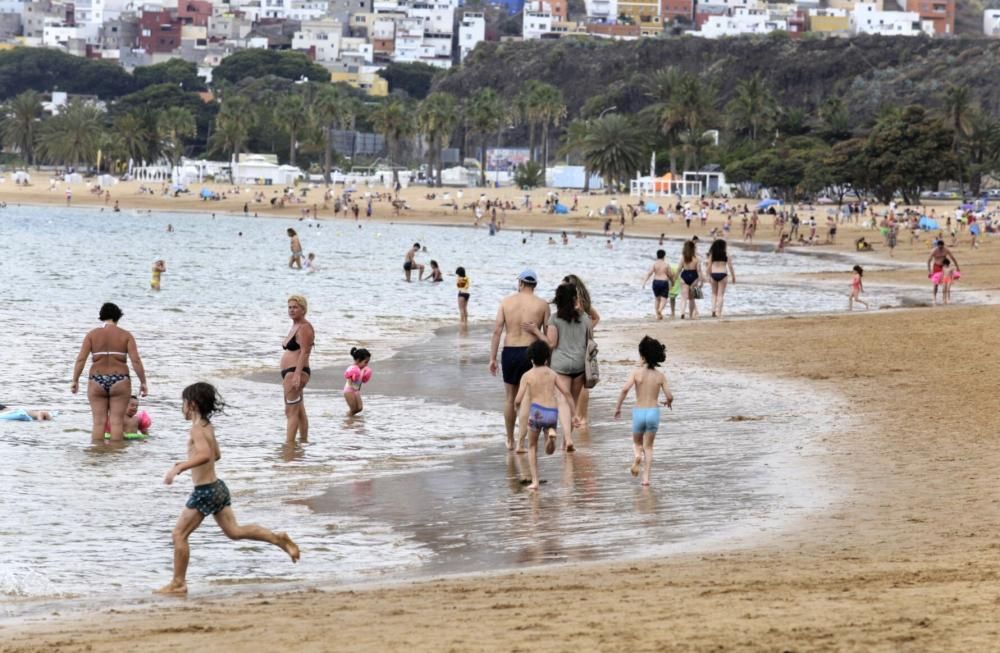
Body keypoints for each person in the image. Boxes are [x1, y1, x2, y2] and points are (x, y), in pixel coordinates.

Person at [156, 382, 299, 595]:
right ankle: (278, 539)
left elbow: (205, 455)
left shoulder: (196, 429)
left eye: (183, 403)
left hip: (205, 491)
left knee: (179, 535)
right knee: (235, 531)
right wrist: (193, 458)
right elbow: (217, 455)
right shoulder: (207, 425)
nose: (182, 408)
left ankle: (178, 582)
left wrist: (179, 467)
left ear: (192, 404)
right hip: (218, 487)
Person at [523, 283, 590, 453]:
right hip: (580, 364)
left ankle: (567, 439)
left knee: (562, 402)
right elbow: (589, 339)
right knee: (572, 401)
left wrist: (536, 332)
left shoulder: (555, 319)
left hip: (561, 365)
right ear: (575, 298)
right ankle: (566, 441)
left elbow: (551, 344)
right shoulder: (584, 318)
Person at [489, 269, 550, 450]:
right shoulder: (543, 305)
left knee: (510, 398)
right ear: (535, 284)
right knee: (528, 399)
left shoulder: (506, 302)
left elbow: (497, 331)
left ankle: (510, 440)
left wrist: (492, 358)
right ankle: (522, 441)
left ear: (521, 283)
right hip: (532, 354)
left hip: (510, 352)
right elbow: (547, 337)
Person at [70, 302, 148, 442]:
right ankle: (115, 458)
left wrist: (75, 380)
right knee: (116, 422)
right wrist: (143, 382)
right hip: (120, 379)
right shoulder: (126, 335)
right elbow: (135, 361)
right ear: (118, 317)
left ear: (101, 316)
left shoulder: (92, 335)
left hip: (96, 379)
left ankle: (98, 454)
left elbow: (81, 359)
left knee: (98, 422)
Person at [613, 336, 673, 487]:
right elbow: (670, 395)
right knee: (649, 447)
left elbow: (625, 389)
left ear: (642, 355)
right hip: (653, 412)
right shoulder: (660, 376)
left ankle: (637, 455)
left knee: (636, 442)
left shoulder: (637, 373)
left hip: (639, 412)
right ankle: (646, 479)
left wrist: (618, 407)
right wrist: (668, 402)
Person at [514, 341, 565, 491]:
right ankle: (550, 434)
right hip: (551, 413)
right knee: (549, 451)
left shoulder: (527, 375)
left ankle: (535, 481)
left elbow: (517, 399)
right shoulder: (552, 374)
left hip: (536, 412)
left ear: (531, 359)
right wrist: (572, 412)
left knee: (532, 446)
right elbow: (565, 392)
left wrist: (518, 408)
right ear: (547, 358)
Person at [562, 274, 600, 428]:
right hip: (581, 341)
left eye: (564, 285)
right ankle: (581, 415)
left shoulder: (577, 302)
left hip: (580, 343)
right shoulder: (583, 301)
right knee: (583, 379)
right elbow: (595, 318)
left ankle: (580, 416)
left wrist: (585, 330)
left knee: (583, 379)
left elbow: (596, 318)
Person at [281, 295, 314, 444]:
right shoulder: (295, 325)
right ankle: (303, 441)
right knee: (299, 409)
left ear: (303, 309)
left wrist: (297, 374)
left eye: (295, 307)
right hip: (291, 372)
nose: (291, 310)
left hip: (295, 371)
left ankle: (289, 445)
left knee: (290, 411)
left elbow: (305, 351)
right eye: (289, 307)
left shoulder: (305, 327)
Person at [706, 239, 736, 318]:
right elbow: (730, 266)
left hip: (713, 274)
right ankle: (718, 312)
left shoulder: (712, 254)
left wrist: (708, 276)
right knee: (720, 295)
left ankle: (713, 310)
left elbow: (708, 266)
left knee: (713, 294)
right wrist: (733, 277)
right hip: (723, 274)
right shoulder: (726, 254)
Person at [641, 249, 674, 321]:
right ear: (664, 256)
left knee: (657, 299)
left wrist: (644, 282)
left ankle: (657, 315)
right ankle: (660, 310)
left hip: (655, 282)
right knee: (664, 299)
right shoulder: (666, 264)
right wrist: (673, 282)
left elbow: (649, 273)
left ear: (657, 256)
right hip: (664, 282)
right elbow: (670, 275)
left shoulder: (654, 264)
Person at [927, 240, 960, 305]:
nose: (940, 248)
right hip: (936, 267)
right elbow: (928, 261)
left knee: (946, 283)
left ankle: (945, 299)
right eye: (939, 247)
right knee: (936, 284)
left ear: (943, 245)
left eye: (942, 247)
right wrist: (929, 271)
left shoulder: (946, 250)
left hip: (944, 267)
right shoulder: (934, 251)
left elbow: (953, 258)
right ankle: (934, 298)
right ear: (937, 246)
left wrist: (957, 267)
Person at [677, 240, 703, 320]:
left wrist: (677, 279)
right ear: (693, 249)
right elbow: (699, 271)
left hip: (684, 276)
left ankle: (682, 313)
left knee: (684, 297)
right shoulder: (697, 258)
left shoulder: (683, 258)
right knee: (692, 298)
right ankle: (691, 315)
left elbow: (678, 269)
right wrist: (701, 281)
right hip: (694, 277)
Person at [343, 347, 373, 416]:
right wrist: (353, 391)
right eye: (365, 362)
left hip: (356, 390)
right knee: (353, 409)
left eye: (367, 362)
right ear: (358, 360)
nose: (366, 364)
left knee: (359, 408)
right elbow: (349, 381)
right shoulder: (352, 368)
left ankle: (349, 416)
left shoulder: (362, 369)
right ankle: (347, 419)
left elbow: (360, 382)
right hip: (349, 391)